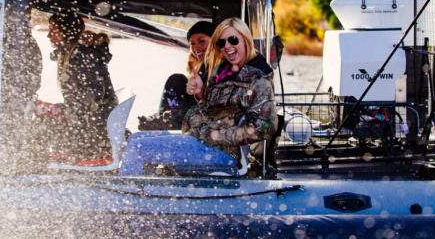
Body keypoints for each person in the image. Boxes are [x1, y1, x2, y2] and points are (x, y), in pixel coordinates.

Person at [120, 17, 277, 175]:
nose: (227, 46)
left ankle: (125, 192)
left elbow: (265, 127)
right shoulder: (221, 73)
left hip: (222, 152)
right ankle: (143, 189)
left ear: (246, 40)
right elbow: (215, 111)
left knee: (137, 148)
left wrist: (215, 136)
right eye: (222, 43)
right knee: (136, 139)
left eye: (233, 40)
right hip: (199, 140)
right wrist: (201, 93)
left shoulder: (259, 80)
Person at [35, 11, 118, 162]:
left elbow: (91, 99)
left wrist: (57, 110)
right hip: (89, 123)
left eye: (54, 30)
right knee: (40, 118)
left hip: (94, 129)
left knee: (35, 127)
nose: (49, 35)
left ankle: (34, 163)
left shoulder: (83, 56)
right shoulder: (72, 53)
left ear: (67, 31)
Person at [138, 20, 215, 130]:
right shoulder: (202, 69)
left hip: (204, 121)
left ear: (215, 42)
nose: (196, 48)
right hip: (189, 115)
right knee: (176, 80)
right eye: (192, 44)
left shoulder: (222, 68)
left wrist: (201, 93)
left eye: (202, 41)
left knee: (177, 81)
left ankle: (168, 122)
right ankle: (165, 118)